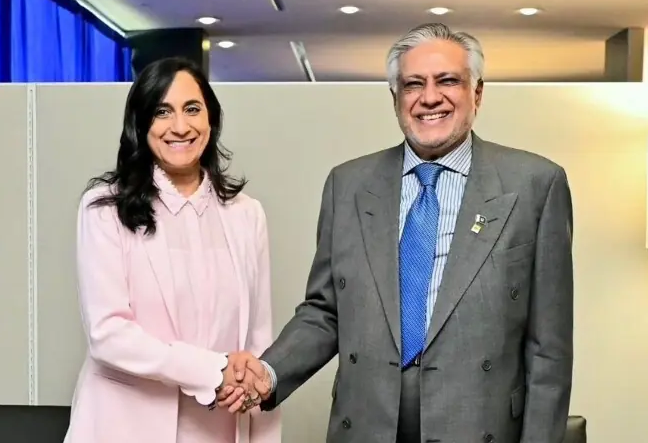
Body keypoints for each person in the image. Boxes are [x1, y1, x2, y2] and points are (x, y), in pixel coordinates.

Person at [219, 23, 574, 442]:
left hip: (479, 426)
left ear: (477, 93)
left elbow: (549, 350)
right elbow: (326, 311)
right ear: (395, 98)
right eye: (413, 84)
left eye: (448, 81)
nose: (430, 97)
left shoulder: (534, 185)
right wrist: (270, 371)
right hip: (367, 426)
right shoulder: (348, 185)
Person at [63, 57, 281, 443]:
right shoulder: (104, 209)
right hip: (123, 428)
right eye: (162, 112)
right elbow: (107, 334)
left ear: (211, 119)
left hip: (217, 429)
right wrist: (213, 369)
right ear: (141, 123)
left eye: (192, 109)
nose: (180, 126)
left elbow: (258, 345)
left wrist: (256, 405)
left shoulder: (247, 215)